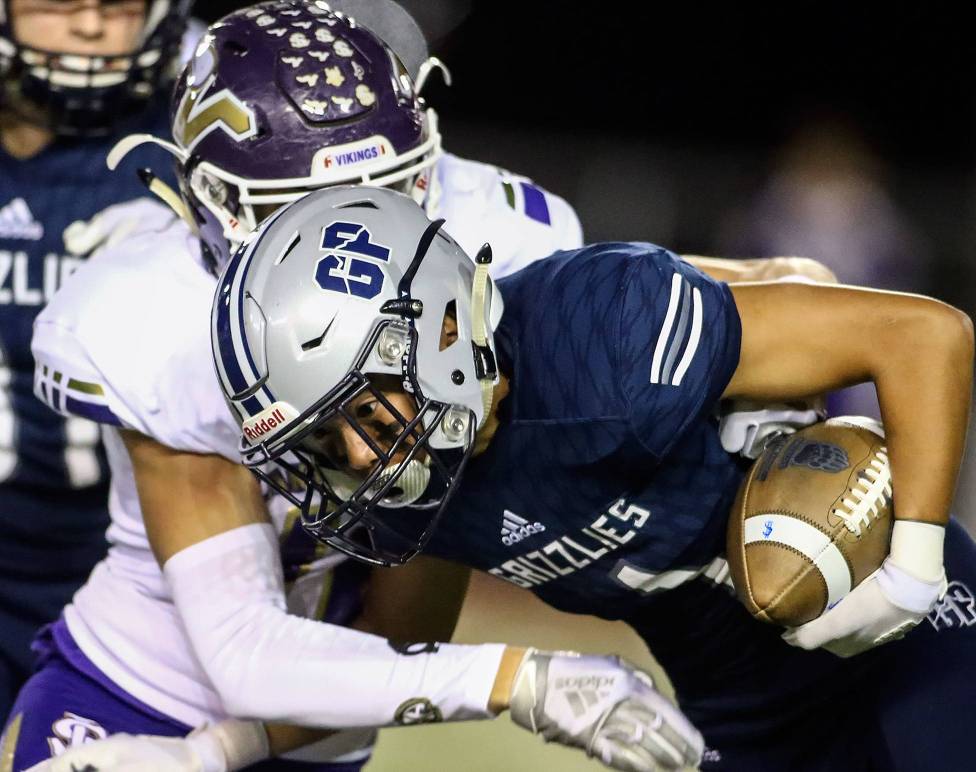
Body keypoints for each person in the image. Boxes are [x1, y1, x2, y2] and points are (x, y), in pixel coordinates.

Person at [9, 3, 705, 772]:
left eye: (388, 193)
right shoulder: (162, 326)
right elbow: (242, 648)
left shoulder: (488, 251)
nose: (364, 240)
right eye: (318, 213)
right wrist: (517, 678)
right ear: (221, 206)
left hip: (335, 717)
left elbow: (415, 598)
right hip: (136, 691)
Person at [186, 184, 976, 771]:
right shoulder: (414, 498)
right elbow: (396, 662)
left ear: (436, 328)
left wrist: (913, 571)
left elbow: (921, 334)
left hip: (903, 633)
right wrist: (221, 749)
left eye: (364, 412)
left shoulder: (603, 336)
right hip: (739, 705)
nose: (361, 458)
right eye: (324, 441)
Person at [0, 0, 192, 718]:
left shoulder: (195, 148)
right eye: (57, 3)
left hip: (137, 574)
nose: (90, 26)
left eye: (117, 5)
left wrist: (198, 246)